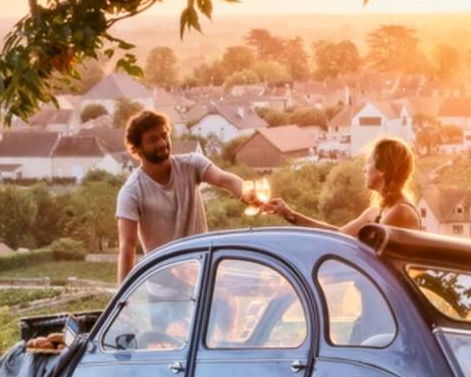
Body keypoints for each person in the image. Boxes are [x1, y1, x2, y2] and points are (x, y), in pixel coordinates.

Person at [115, 110, 258, 280]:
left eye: (164, 135)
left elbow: (225, 180)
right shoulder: (131, 192)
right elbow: (127, 247)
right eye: (153, 139)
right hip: (164, 290)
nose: (162, 143)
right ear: (137, 148)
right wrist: (122, 300)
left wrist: (250, 194)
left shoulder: (191, 164)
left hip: (202, 279)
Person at [264, 136, 422, 234]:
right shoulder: (377, 211)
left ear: (382, 170)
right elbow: (339, 235)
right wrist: (289, 214)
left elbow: (378, 264)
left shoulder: (400, 212)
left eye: (369, 162)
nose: (364, 168)